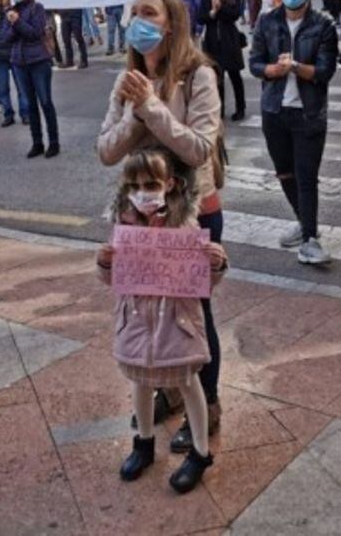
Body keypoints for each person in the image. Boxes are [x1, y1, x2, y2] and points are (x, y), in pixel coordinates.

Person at [98, 0, 225, 454]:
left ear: (170, 23)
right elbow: (106, 151)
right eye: (133, 12)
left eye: (148, 12)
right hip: (139, 216)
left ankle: (205, 404)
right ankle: (166, 391)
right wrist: (135, 114)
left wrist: (151, 107)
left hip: (191, 212)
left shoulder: (198, 77)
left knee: (192, 314)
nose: (138, 20)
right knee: (146, 310)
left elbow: (198, 149)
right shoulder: (126, 79)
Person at [96, 149, 227, 493]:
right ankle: (143, 443)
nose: (143, 192)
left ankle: (199, 453)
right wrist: (105, 262)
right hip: (137, 323)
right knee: (139, 382)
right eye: (135, 185)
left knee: (189, 383)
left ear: (169, 184)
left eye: (151, 184)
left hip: (177, 323)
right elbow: (113, 281)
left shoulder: (183, 224)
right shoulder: (123, 224)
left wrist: (214, 264)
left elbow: (202, 285)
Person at [249, 0, 340, 265]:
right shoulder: (267, 22)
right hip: (274, 110)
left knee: (306, 176)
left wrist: (297, 67)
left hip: (308, 113)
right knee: (284, 172)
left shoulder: (322, 25)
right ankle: (305, 224)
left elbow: (325, 71)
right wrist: (272, 70)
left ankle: (310, 240)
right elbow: (255, 63)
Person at [5, 0, 60, 158]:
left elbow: (35, 33)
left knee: (45, 101)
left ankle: (53, 142)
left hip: (38, 61)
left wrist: (17, 22)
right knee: (30, 104)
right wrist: (13, 22)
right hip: (19, 62)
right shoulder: (10, 11)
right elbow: (6, 38)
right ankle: (37, 142)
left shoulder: (37, 8)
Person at [199, 0, 246, 121]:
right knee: (217, 78)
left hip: (229, 40)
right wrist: (212, 12)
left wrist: (220, 7)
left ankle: (241, 108)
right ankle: (219, 109)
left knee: (235, 76)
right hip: (212, 42)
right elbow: (201, 18)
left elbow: (234, 15)